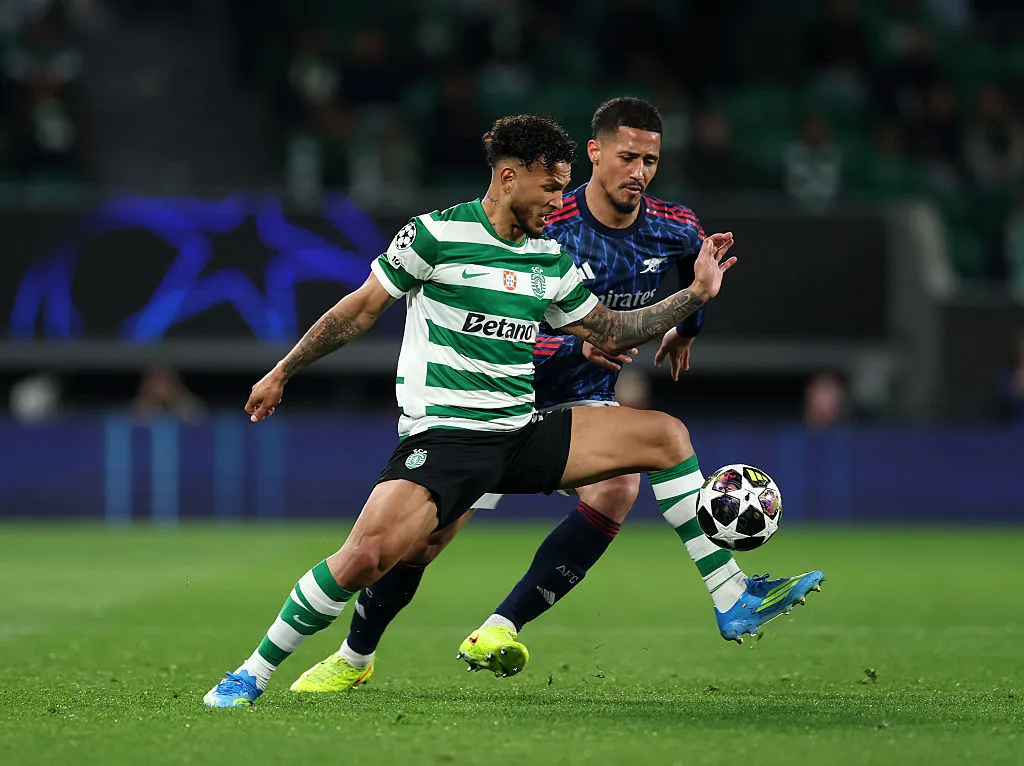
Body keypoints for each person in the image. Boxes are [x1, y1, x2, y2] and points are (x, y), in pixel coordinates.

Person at [287, 98, 825, 695]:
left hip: (578, 408)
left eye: (650, 160)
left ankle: (504, 626)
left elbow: (692, 281)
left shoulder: (674, 226)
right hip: (492, 404)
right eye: (628, 157)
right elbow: (495, 312)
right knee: (421, 543)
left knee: (624, 481)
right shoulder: (548, 217)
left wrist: (684, 329)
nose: (640, 172)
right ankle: (355, 656)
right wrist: (574, 347)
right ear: (595, 153)